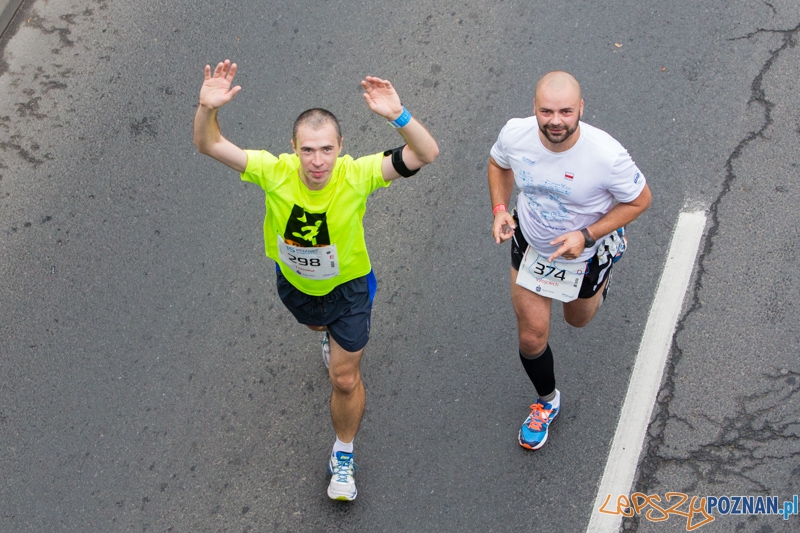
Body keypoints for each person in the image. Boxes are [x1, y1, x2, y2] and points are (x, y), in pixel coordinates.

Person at [193, 60, 439, 500]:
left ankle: (343, 453)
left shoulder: (357, 174)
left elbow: (425, 154)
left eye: (327, 149)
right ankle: (326, 334)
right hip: (296, 286)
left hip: (349, 291)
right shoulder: (273, 170)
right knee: (315, 325)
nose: (318, 161)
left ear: (341, 147)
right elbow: (207, 143)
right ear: (293, 148)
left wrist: (398, 115)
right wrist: (207, 108)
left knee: (344, 378)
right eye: (308, 150)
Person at [487, 71, 651, 451]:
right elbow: (498, 164)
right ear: (534, 108)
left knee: (577, 320)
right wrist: (499, 209)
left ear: (581, 108)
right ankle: (547, 402)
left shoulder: (607, 155)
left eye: (565, 111)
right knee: (531, 336)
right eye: (546, 111)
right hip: (531, 243)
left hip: (585, 252)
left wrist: (588, 235)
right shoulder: (515, 133)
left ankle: (609, 256)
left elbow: (640, 200)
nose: (555, 121)